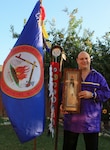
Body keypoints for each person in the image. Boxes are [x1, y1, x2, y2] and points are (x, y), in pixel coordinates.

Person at [60, 51, 110, 150]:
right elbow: (63, 93)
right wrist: (62, 105)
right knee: (68, 147)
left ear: (90, 60)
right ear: (77, 61)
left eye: (86, 58)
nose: (84, 61)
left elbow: (107, 93)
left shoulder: (98, 77)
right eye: (81, 59)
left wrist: (92, 94)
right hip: (72, 120)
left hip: (91, 122)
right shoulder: (70, 75)